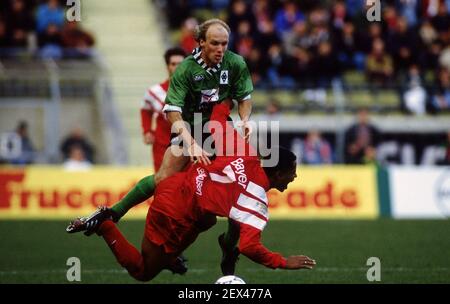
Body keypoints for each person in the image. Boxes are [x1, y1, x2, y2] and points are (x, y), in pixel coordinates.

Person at [68, 19, 254, 275]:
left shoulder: (235, 63)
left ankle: (229, 246)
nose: (221, 48)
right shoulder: (186, 70)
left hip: (219, 132)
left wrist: (245, 120)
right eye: (214, 43)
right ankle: (113, 213)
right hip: (188, 129)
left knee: (236, 192)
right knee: (164, 179)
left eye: (224, 43)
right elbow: (173, 114)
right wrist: (191, 144)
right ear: (201, 42)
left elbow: (245, 98)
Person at [67, 101, 316, 282]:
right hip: (177, 217)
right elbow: (250, 246)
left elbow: (218, 120)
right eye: (292, 172)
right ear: (278, 174)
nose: (294, 176)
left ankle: (174, 256)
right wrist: (283, 261)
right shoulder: (256, 203)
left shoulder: (243, 150)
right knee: (142, 272)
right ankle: (104, 225)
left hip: (174, 187)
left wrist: (224, 98)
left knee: (207, 220)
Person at [140, 47, 186, 172]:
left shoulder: (194, 91)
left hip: (186, 143)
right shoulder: (154, 92)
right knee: (162, 183)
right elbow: (145, 110)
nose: (177, 67)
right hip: (162, 145)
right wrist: (147, 130)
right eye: (173, 64)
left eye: (181, 64)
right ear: (167, 66)